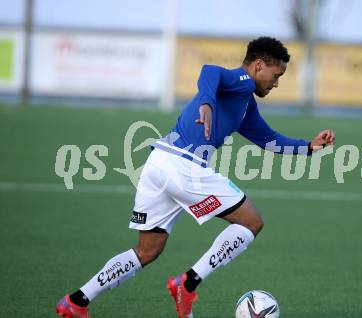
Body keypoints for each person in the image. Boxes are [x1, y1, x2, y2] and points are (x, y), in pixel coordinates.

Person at [56, 36, 336, 318]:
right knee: (252, 222)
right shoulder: (240, 81)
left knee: (147, 250)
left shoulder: (245, 105)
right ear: (259, 66)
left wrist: (309, 147)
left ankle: (77, 301)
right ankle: (187, 284)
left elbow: (269, 139)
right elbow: (209, 71)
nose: (276, 83)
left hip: (158, 165)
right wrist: (206, 102)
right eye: (276, 76)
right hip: (182, 167)